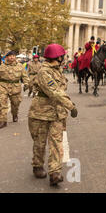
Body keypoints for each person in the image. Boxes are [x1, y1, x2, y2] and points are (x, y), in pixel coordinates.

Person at [28, 44, 78, 186]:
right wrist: (71, 106)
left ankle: (55, 173)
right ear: (58, 57)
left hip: (57, 113)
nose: (64, 58)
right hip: (41, 112)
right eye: (62, 56)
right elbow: (54, 91)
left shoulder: (58, 70)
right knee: (40, 142)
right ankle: (37, 165)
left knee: (56, 142)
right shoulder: (44, 72)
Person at [0, 51, 30, 128]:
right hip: (3, 86)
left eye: (13, 56)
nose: (12, 57)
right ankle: (3, 120)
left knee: (15, 104)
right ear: (6, 57)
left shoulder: (20, 66)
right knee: (2, 104)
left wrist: (26, 83)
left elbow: (24, 76)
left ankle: (15, 114)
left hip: (15, 87)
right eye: (10, 56)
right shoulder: (1, 66)